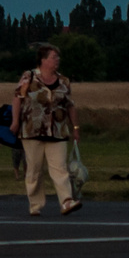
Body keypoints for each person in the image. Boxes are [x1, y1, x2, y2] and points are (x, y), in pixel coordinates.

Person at [12, 44, 83, 216]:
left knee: (60, 168)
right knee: (34, 169)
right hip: (32, 130)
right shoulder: (29, 77)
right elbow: (17, 98)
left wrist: (75, 127)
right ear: (43, 60)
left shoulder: (64, 81)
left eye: (57, 57)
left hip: (57, 131)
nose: (57, 60)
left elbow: (69, 105)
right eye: (53, 57)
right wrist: (15, 122)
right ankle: (35, 205)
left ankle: (66, 201)